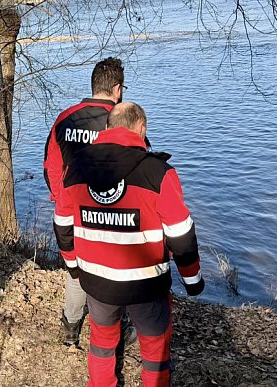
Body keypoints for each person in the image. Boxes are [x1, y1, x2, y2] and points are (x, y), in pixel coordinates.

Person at [53, 102, 205, 386]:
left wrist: (74, 267)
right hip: (146, 283)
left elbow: (63, 225)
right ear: (142, 129)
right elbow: (181, 234)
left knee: (102, 342)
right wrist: (193, 280)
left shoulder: (75, 170)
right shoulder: (159, 172)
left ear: (108, 128)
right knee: (154, 351)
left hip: (96, 281)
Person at [43, 57, 133, 348]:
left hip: (73, 211)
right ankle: (114, 329)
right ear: (117, 89)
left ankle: (71, 328)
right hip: (113, 209)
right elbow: (139, 169)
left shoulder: (66, 118)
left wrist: (61, 199)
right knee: (115, 272)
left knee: (76, 270)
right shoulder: (123, 120)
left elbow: (51, 165)